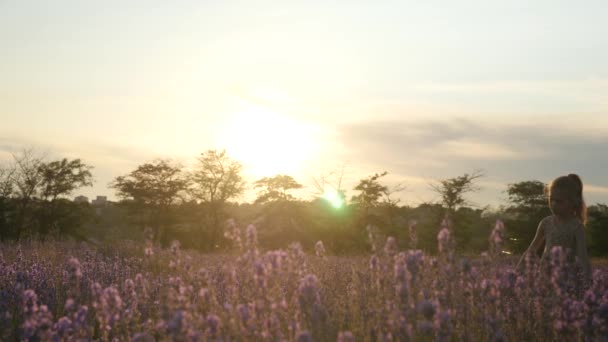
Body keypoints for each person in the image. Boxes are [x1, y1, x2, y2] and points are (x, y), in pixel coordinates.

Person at [516, 174, 592, 286]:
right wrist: (517, 271)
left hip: (567, 279)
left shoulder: (576, 226)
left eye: (559, 201)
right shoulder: (545, 223)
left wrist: (587, 279)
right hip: (545, 276)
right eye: (551, 200)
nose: (554, 204)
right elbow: (532, 250)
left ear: (573, 201)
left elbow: (582, 256)